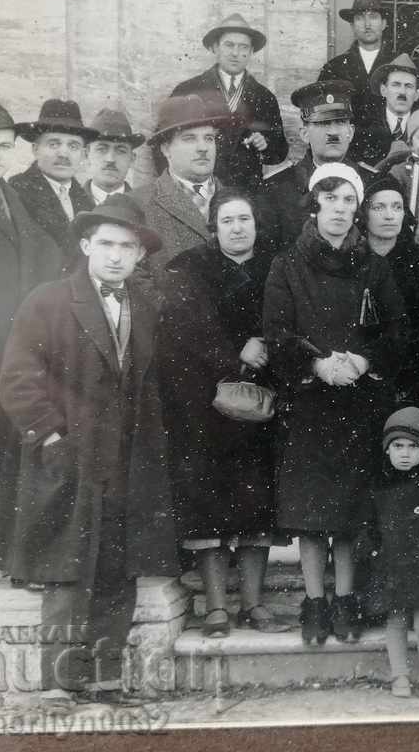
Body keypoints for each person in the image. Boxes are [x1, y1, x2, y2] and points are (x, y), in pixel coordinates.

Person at [0, 194, 178, 710]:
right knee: (67, 570)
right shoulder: (49, 300)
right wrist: (52, 436)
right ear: (85, 245)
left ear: (141, 255)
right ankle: (59, 684)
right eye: (107, 244)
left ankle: (104, 681)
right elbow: (17, 378)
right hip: (70, 456)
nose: (117, 255)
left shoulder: (144, 307)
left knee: (119, 570)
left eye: (128, 247)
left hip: (127, 460)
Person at [263, 162, 405, 644]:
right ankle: (314, 602)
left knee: (347, 512)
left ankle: (344, 601)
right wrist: (317, 365)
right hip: (308, 401)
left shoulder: (374, 267)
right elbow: (277, 333)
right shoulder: (286, 265)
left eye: (349, 200)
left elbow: (396, 330)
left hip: (358, 400)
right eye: (332, 198)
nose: (341, 210)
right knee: (310, 513)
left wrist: (364, 361)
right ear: (315, 203)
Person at [158, 187, 287, 637]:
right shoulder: (190, 268)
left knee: (257, 502)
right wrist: (236, 355)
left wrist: (265, 346)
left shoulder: (275, 265)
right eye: (228, 220)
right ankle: (215, 606)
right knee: (208, 501)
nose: (237, 228)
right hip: (205, 405)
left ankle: (253, 603)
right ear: (213, 227)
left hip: (260, 403)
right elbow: (185, 329)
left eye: (245, 220)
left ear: (257, 225)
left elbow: (286, 317)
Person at [0, 95, 63, 580]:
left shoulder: (8, 195)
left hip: (18, 349)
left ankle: (15, 556)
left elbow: (42, 253)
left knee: (12, 450)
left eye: (3, 146)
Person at [353, 407, 419, 699]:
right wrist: (370, 552)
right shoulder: (377, 486)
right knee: (395, 621)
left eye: (413, 447)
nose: (405, 454)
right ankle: (400, 676)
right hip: (391, 564)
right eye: (398, 446)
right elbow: (365, 526)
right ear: (387, 449)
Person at [170, 13, 288, 192]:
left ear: (250, 52)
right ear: (215, 48)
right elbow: (163, 143)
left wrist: (265, 145)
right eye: (229, 45)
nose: (236, 53)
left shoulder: (264, 97)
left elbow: (280, 151)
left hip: (247, 192)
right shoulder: (188, 90)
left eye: (243, 47)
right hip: (198, 190)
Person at [133, 94, 234, 291]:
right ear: (165, 149)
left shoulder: (239, 202)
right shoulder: (140, 204)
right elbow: (133, 276)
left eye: (209, 138)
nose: (203, 148)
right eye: (189, 139)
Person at [261, 80, 368, 250]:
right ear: (304, 134)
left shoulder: (372, 182)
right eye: (323, 123)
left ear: (351, 132)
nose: (333, 132)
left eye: (340, 122)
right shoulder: (277, 188)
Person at [358, 175, 419, 407]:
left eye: (397, 207)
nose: (389, 215)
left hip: (408, 376)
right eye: (379, 207)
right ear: (364, 213)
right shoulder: (349, 261)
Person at [10, 98, 98, 262]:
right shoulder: (15, 192)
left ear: (84, 154)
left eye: (73, 146)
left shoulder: (87, 201)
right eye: (53, 144)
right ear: (36, 149)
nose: (63, 154)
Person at [318, 0, 395, 123]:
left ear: (383, 24)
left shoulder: (397, 64)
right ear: (352, 26)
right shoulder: (334, 67)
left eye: (373, 17)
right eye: (360, 17)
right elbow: (323, 115)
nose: (367, 24)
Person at [351, 54, 419, 167]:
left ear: (417, 94)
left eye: (408, 86)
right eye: (396, 85)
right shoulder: (364, 126)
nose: (402, 92)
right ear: (383, 90)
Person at [85, 108, 144, 204]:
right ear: (87, 154)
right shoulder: (69, 202)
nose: (110, 159)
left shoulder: (145, 208)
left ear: (132, 159)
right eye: (101, 149)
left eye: (121, 151)